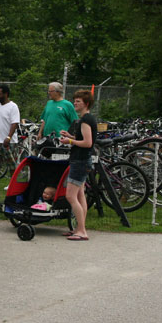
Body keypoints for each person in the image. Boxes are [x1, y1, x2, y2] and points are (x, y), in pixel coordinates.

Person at [59, 89, 96, 241]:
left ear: (86, 104)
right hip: (82, 160)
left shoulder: (86, 120)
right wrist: (70, 136)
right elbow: (83, 138)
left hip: (80, 161)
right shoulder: (85, 119)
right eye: (75, 100)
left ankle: (82, 231)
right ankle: (79, 228)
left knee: (70, 195)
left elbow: (88, 143)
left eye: (78, 101)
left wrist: (70, 141)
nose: (75, 103)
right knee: (80, 195)